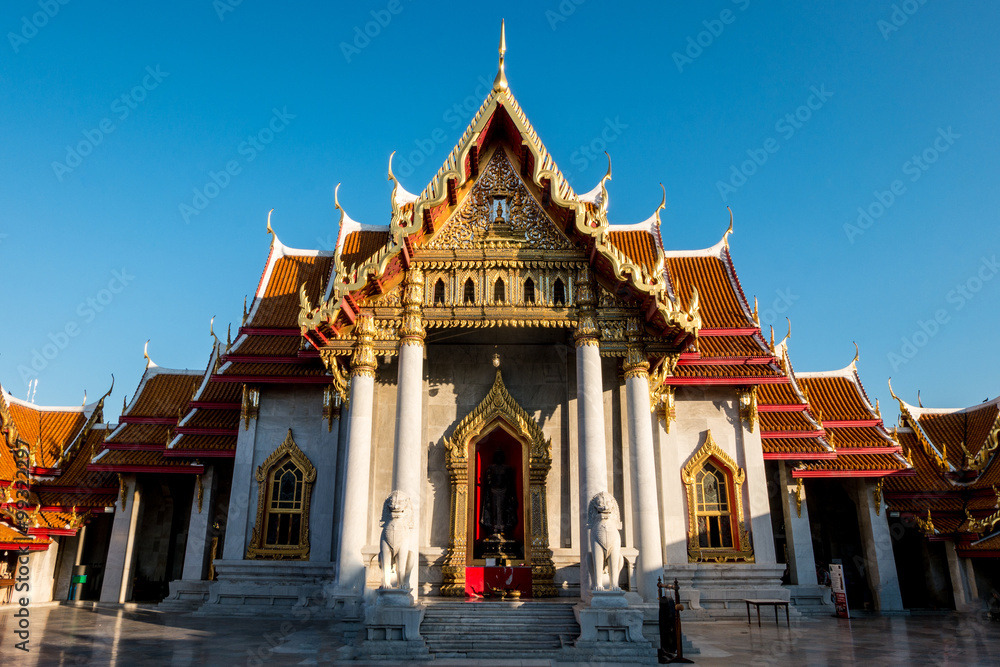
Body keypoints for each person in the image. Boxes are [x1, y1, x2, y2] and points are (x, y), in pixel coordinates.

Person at [480, 449, 517, 537]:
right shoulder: (491, 468)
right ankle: (494, 528)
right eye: (497, 456)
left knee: (503, 510)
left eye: (500, 456)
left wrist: (512, 495)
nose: (498, 458)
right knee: (494, 509)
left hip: (504, 491)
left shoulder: (507, 468)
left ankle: (503, 528)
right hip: (493, 491)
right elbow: (487, 481)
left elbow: (510, 483)